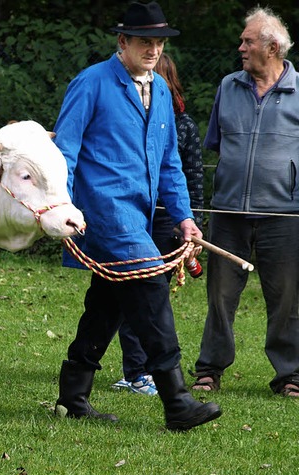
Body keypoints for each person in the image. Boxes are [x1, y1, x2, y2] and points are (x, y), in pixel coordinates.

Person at [53, 1, 221, 431]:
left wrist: (184, 218)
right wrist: (62, 208)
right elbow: (65, 153)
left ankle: (73, 395)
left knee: (108, 302)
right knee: (149, 289)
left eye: (159, 43)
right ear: (122, 42)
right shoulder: (90, 83)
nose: (153, 50)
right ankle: (178, 401)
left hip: (140, 217)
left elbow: (169, 165)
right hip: (103, 213)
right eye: (145, 41)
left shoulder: (161, 90)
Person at [190, 7, 299, 397]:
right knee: (219, 294)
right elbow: (217, 146)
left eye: (248, 41)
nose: (241, 47)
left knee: (286, 297)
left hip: (284, 215)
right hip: (229, 211)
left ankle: (290, 375)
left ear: (272, 48)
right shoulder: (228, 86)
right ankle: (209, 369)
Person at [112, 52, 204, 396]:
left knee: (126, 295)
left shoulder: (181, 123)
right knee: (144, 292)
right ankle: (156, 382)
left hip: (165, 218)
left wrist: (188, 219)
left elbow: (181, 171)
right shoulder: (106, 96)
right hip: (128, 215)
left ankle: (79, 386)